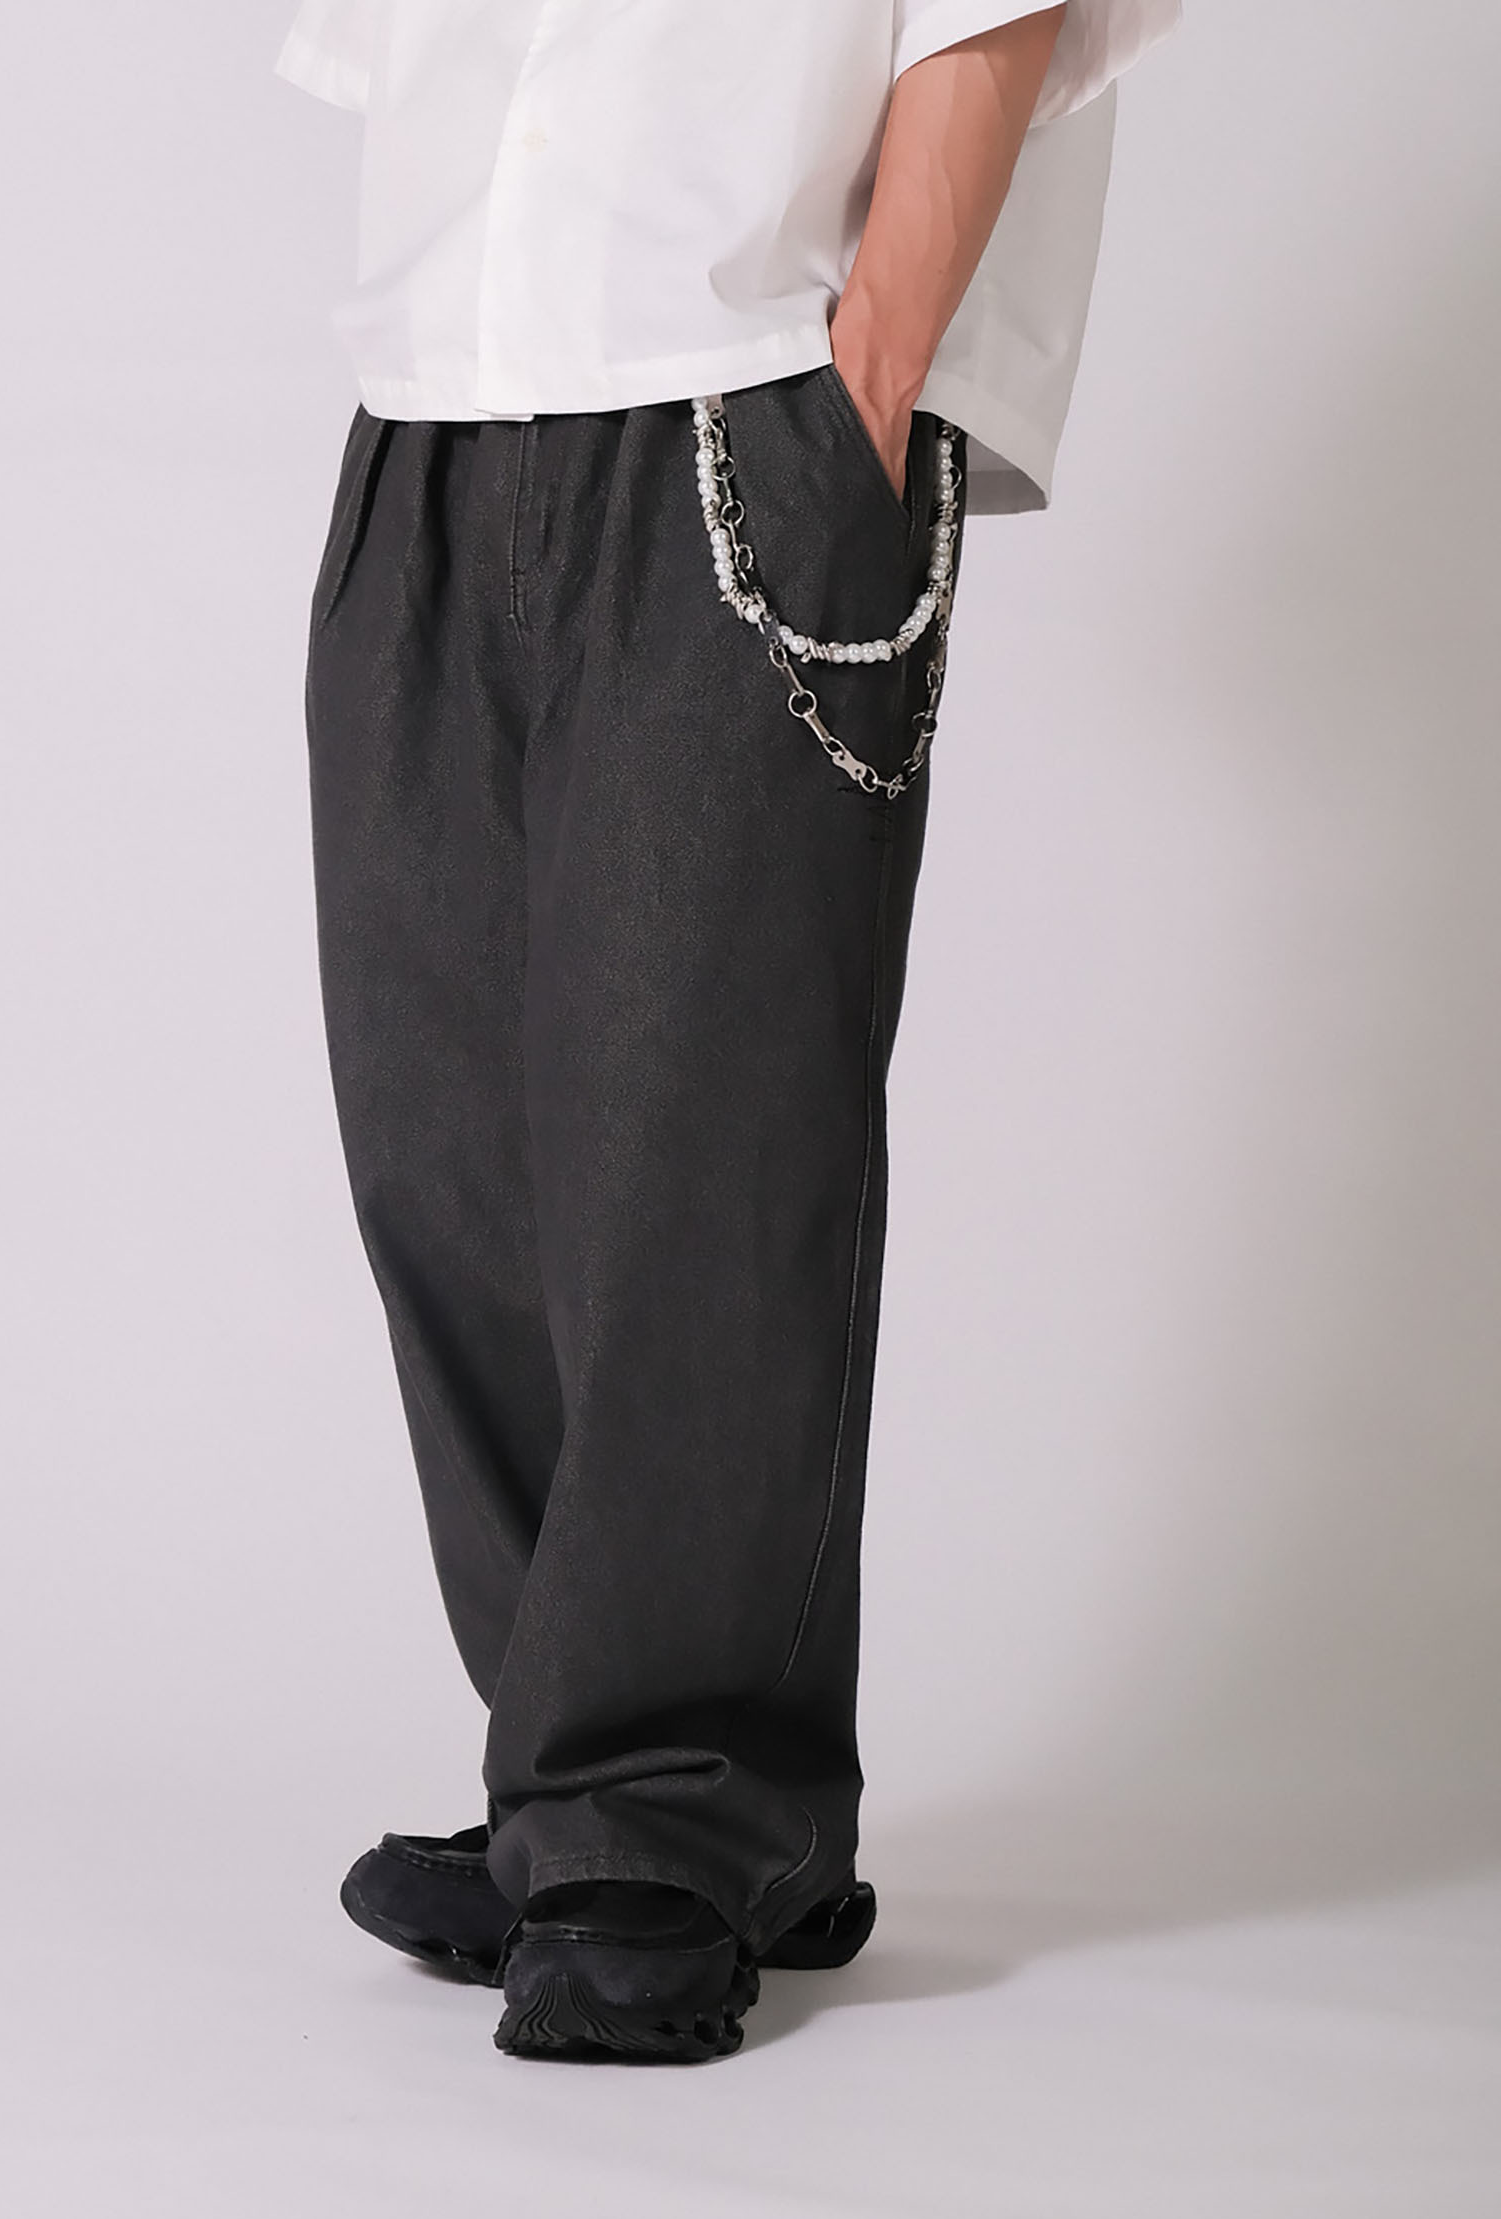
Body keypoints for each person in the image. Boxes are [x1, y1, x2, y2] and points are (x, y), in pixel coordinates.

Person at [278, 0, 1179, 2064]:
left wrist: (862, 391)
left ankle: (671, 1803)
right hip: (433, 399)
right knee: (449, 1142)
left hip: (739, 397)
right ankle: (585, 1785)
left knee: (701, 1129)